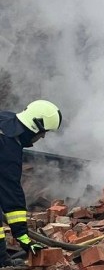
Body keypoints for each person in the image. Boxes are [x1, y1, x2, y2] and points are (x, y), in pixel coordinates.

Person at [0, 100, 62, 266]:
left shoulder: (6, 119)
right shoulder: (7, 146)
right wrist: (23, 237)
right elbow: (10, 193)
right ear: (35, 125)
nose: (42, 137)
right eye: (43, 132)